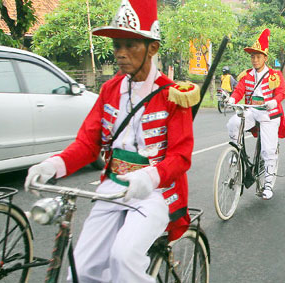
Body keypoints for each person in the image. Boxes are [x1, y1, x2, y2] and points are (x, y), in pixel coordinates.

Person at [24, 0, 199, 281]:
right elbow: (87, 143)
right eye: (117, 46)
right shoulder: (110, 88)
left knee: (123, 258)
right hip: (111, 187)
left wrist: (150, 177)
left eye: (131, 45)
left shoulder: (173, 94)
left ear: (152, 48)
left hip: (155, 193)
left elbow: (181, 157)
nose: (121, 53)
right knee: (82, 269)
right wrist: (53, 165)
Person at [226, 28, 285, 200]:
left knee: (268, 150)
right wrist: (232, 99)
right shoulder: (246, 75)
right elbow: (239, 90)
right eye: (252, 56)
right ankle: (236, 155)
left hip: (269, 115)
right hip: (252, 111)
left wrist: (275, 100)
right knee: (233, 123)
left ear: (265, 57)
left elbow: (281, 92)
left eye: (258, 56)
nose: (254, 59)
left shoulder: (275, 75)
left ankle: (268, 184)